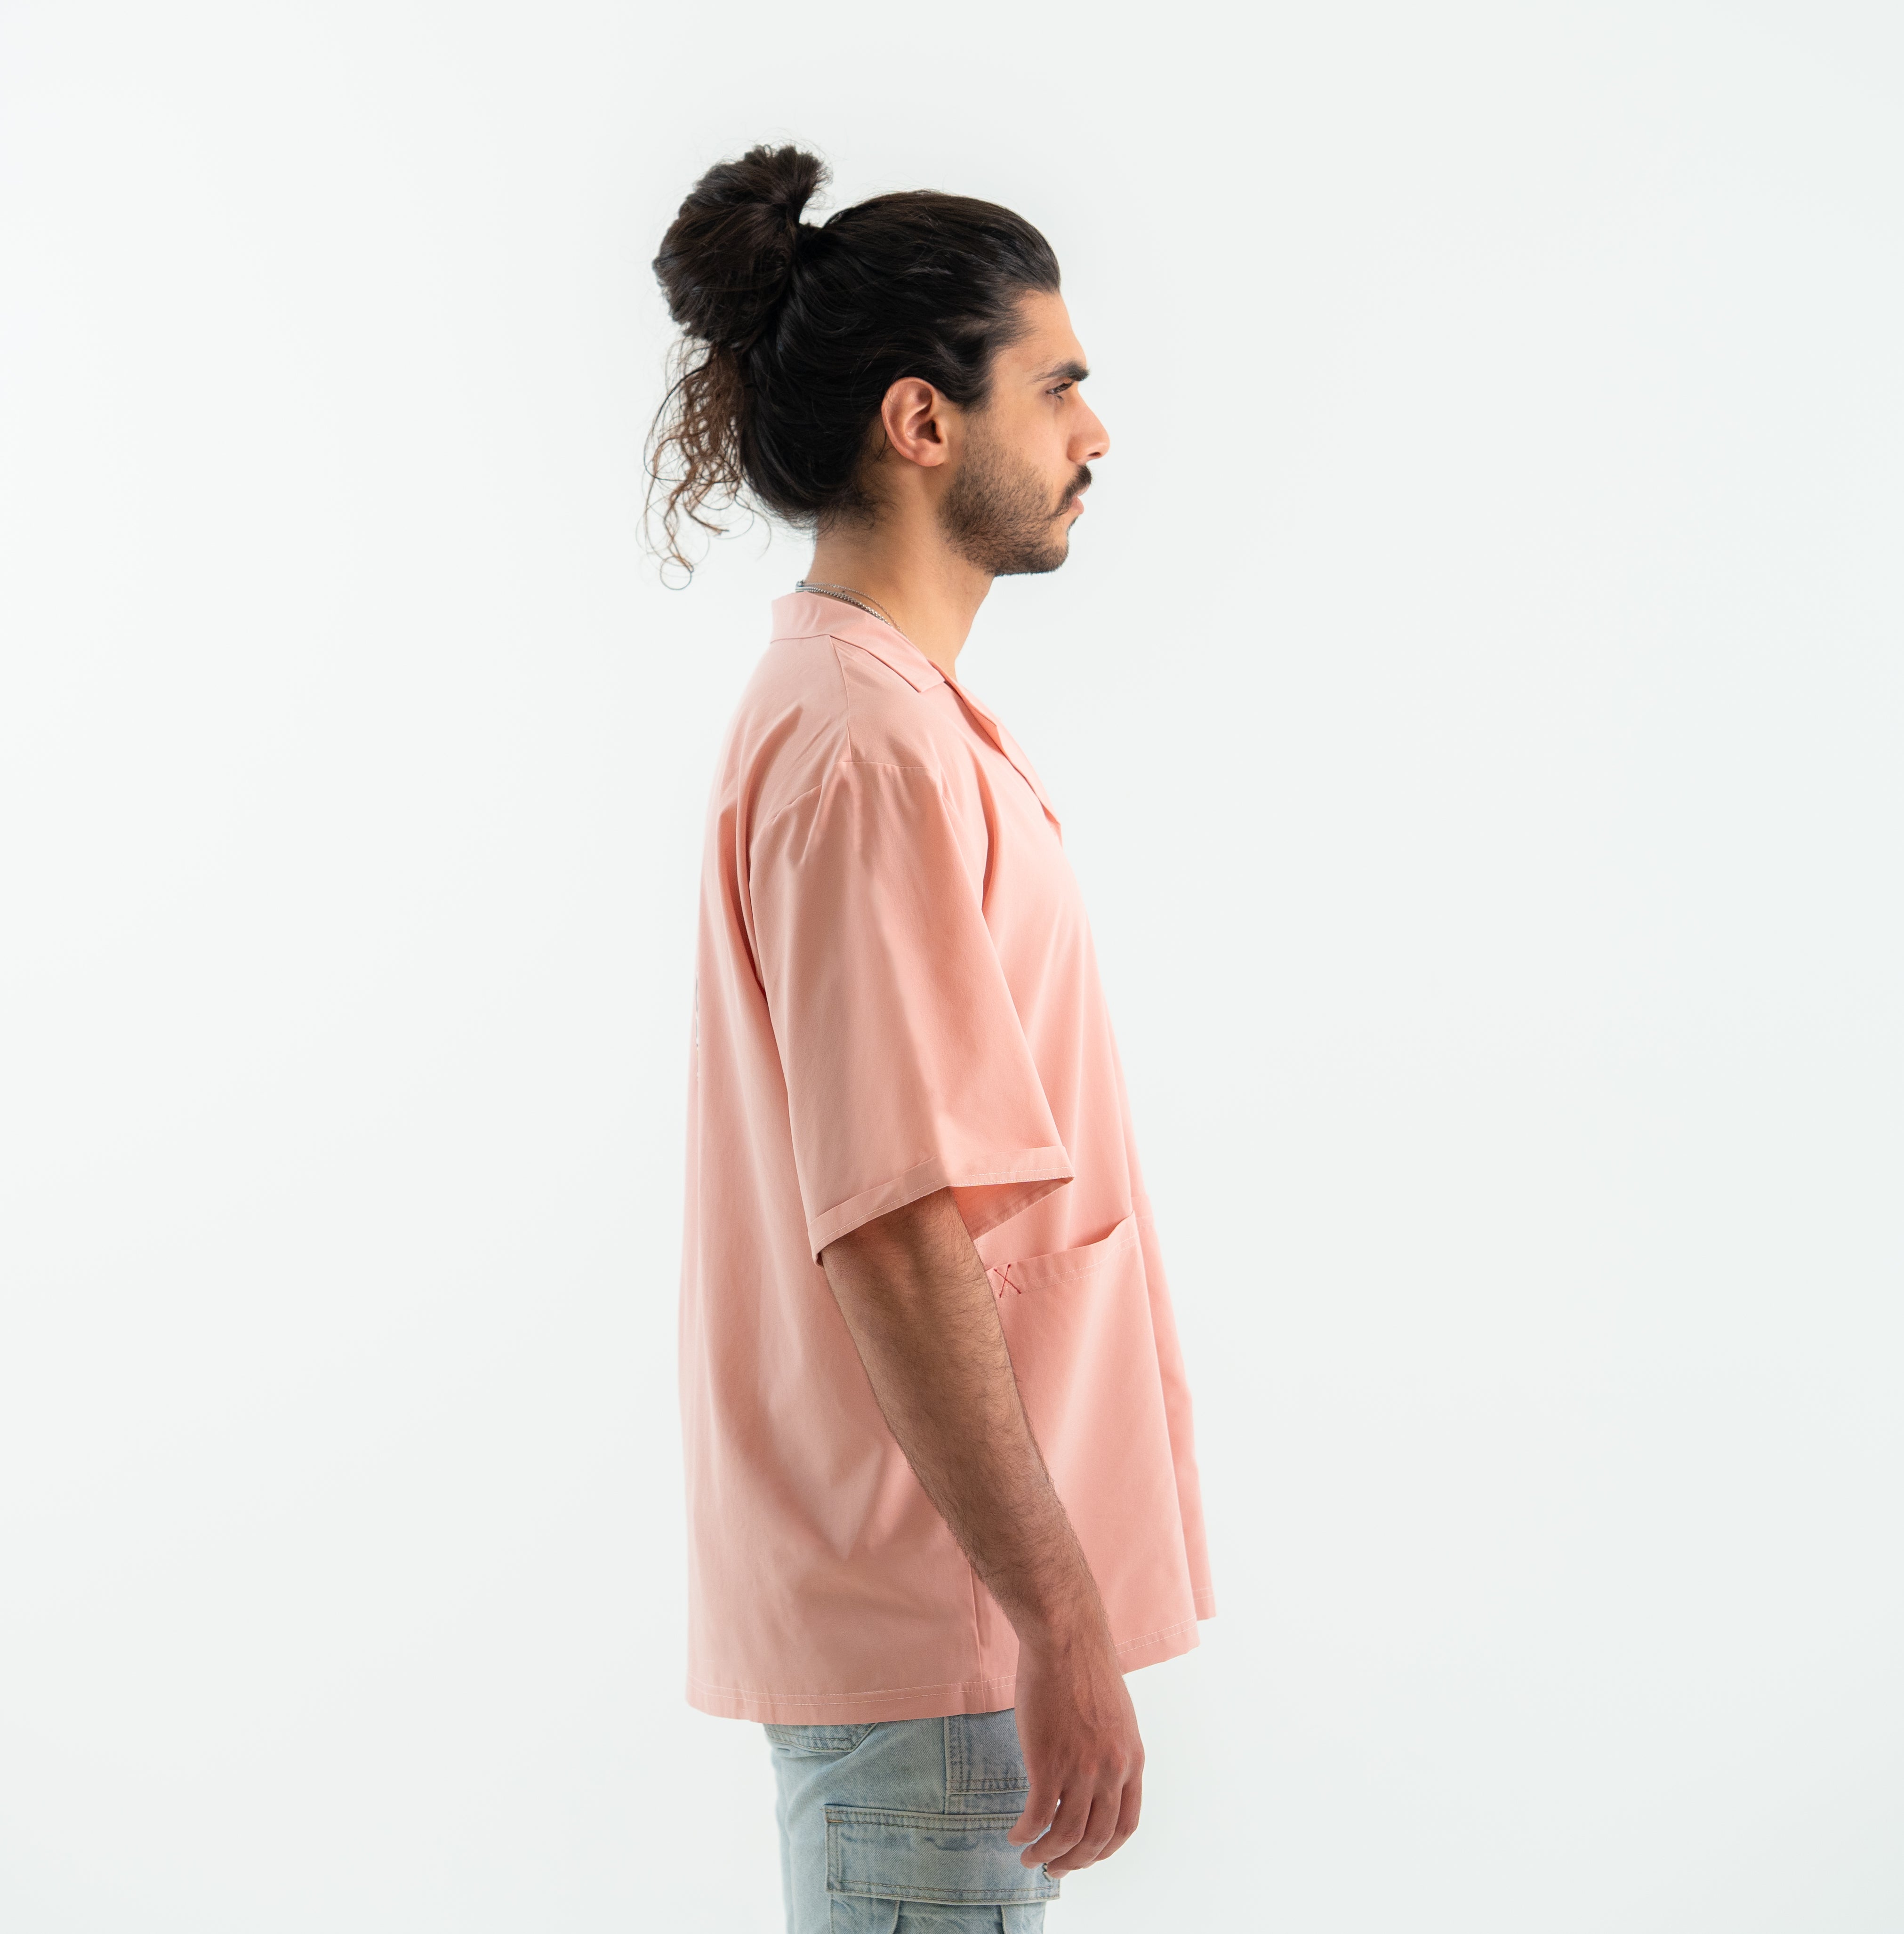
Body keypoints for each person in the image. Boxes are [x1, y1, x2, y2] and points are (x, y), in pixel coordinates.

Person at [651, 144, 1213, 1934]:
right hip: (941, 1632)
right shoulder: (863, 748)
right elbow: (894, 1227)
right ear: (921, 421)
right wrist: (1056, 1616)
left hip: (947, 1624)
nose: (1095, 433)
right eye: (1057, 386)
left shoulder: (884, 716)